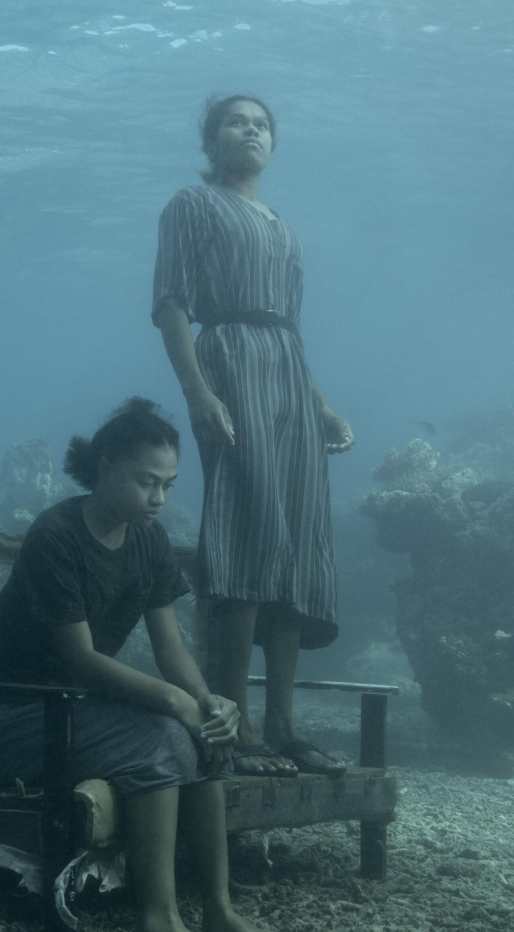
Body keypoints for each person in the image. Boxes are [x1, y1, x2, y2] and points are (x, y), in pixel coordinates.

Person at [0, 398, 290, 932]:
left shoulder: (148, 539)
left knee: (207, 733)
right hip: (5, 721)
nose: (158, 498)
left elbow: (171, 649)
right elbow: (82, 659)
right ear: (105, 465)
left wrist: (209, 704)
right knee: (160, 738)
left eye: (168, 484)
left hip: (72, 713)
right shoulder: (56, 536)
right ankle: (157, 923)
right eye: (145, 481)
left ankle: (217, 908)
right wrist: (175, 702)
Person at [152, 95, 354, 778]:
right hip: (230, 359)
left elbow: (291, 326)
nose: (252, 131)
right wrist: (197, 391)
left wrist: (322, 404)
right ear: (211, 142)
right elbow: (171, 303)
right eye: (237, 122)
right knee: (246, 525)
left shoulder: (285, 228)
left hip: (287, 372)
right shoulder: (191, 203)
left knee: (296, 537)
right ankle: (232, 723)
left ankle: (284, 725)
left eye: (263, 123)